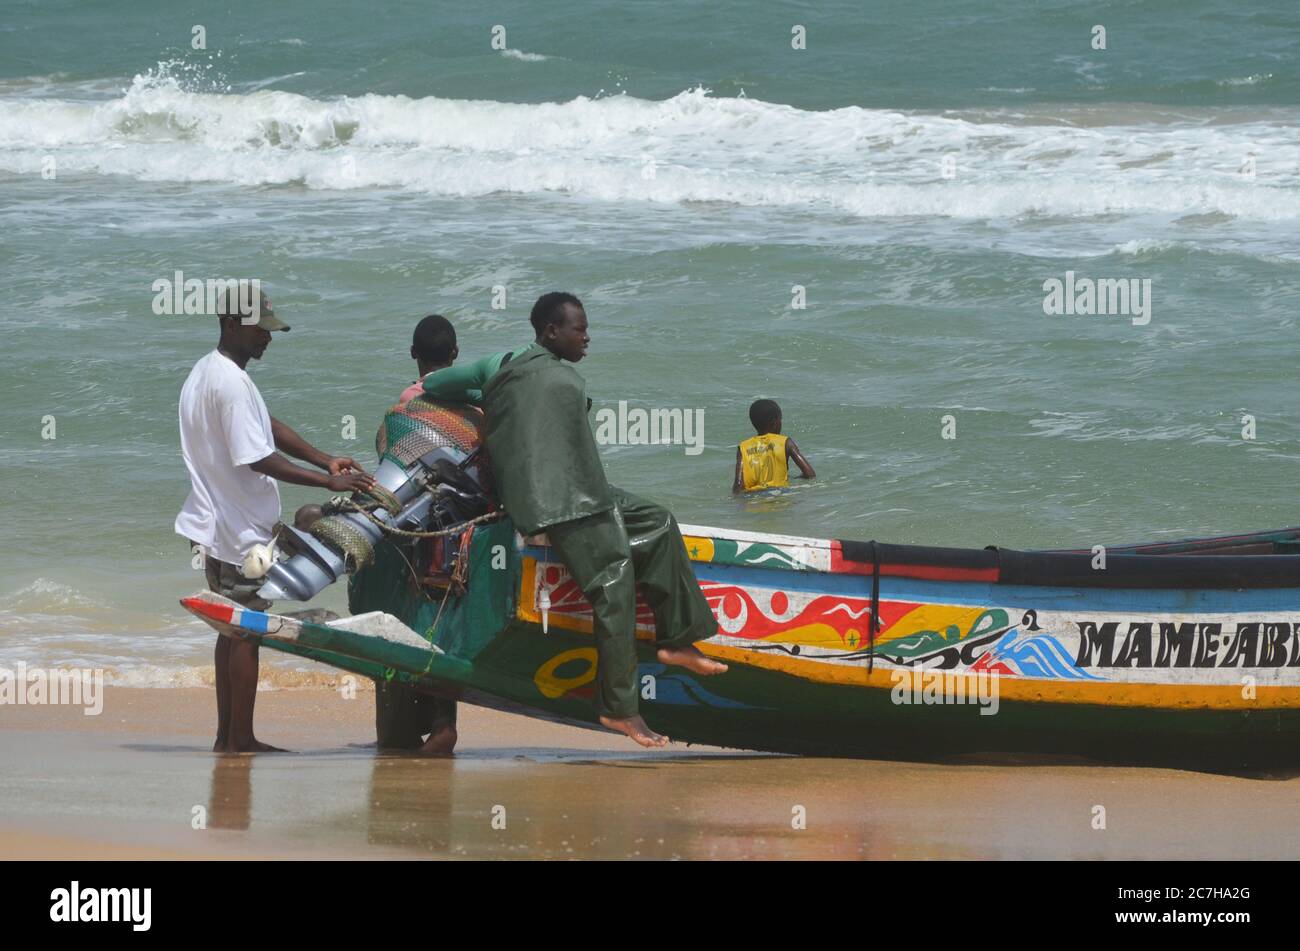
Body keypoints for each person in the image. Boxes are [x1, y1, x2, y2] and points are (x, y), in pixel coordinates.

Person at [422, 292, 727, 747]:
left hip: (582, 490)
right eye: (579, 329)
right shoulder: (536, 373)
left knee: (659, 520)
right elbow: (437, 387)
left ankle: (676, 640)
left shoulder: (504, 365)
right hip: (554, 502)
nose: (587, 337)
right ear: (550, 331)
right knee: (613, 580)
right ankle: (620, 709)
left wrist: (484, 394)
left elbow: (437, 384)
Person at [175, 287, 375, 753]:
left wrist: (325, 458)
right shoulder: (229, 382)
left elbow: (267, 424)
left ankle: (228, 737)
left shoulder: (209, 372)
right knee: (246, 632)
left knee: (232, 631)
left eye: (271, 330)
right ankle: (241, 740)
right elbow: (258, 457)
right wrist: (326, 484)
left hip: (216, 523)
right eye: (260, 329)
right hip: (239, 530)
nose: (268, 337)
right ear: (231, 324)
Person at [375, 314, 466, 756]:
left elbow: (387, 456)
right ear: (456, 356)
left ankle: (403, 733)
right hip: (460, 535)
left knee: (406, 622)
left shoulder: (407, 405)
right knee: (442, 625)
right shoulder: (478, 404)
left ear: (414, 355)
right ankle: (442, 723)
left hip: (413, 533)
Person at [732, 398, 815, 494]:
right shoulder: (785, 442)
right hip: (780, 494)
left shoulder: (743, 447)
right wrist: (795, 478)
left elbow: (738, 486)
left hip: (754, 498)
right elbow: (810, 474)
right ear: (775, 422)